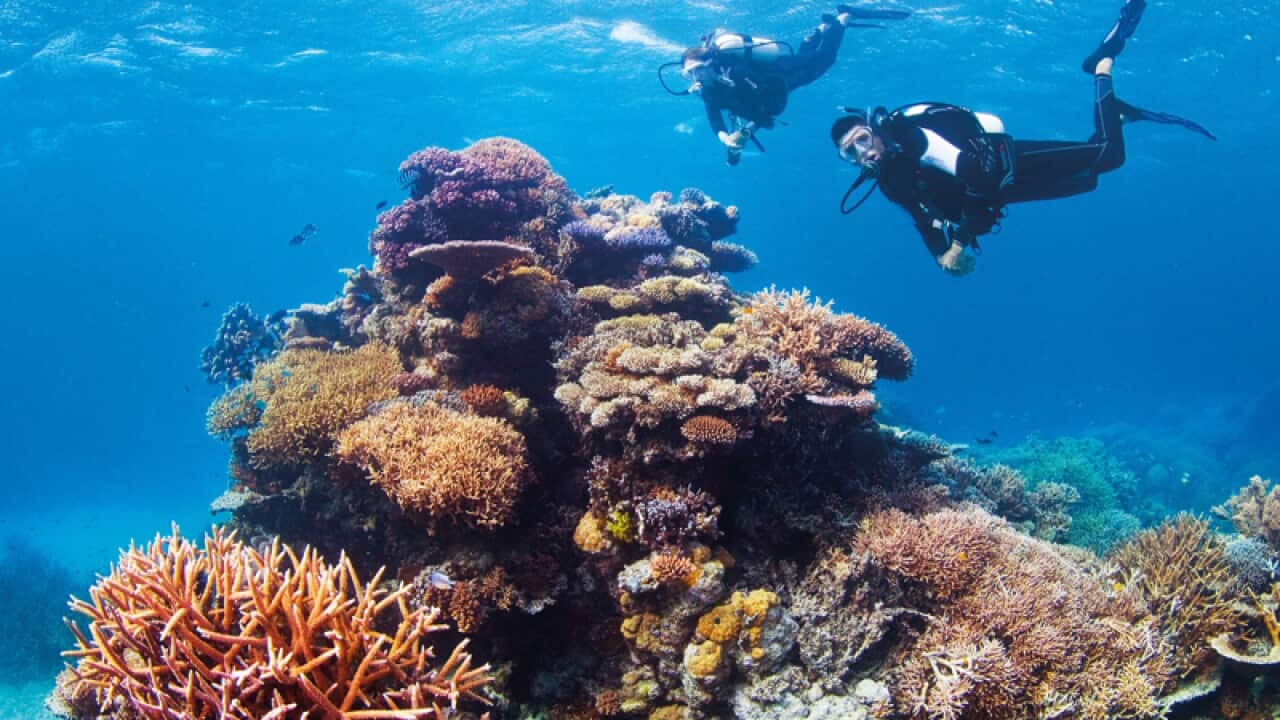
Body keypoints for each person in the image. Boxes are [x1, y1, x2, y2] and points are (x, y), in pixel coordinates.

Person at [829, 0, 1214, 275]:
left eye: (862, 140)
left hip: (1007, 163)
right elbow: (921, 218)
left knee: (1109, 155)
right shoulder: (889, 181)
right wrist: (941, 255)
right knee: (1089, 178)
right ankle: (1116, 113)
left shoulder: (914, 140)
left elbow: (977, 174)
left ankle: (1102, 66)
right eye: (850, 154)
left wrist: (959, 244)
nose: (863, 154)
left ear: (874, 130)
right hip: (1001, 192)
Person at [662, 5, 911, 165]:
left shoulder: (736, 73)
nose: (695, 78)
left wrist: (748, 129)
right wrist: (725, 138)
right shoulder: (709, 90)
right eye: (688, 74)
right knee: (810, 58)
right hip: (777, 84)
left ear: (711, 64)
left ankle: (842, 19)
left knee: (822, 61)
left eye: (699, 70)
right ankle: (820, 30)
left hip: (783, 74)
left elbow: (771, 103)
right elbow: (714, 117)